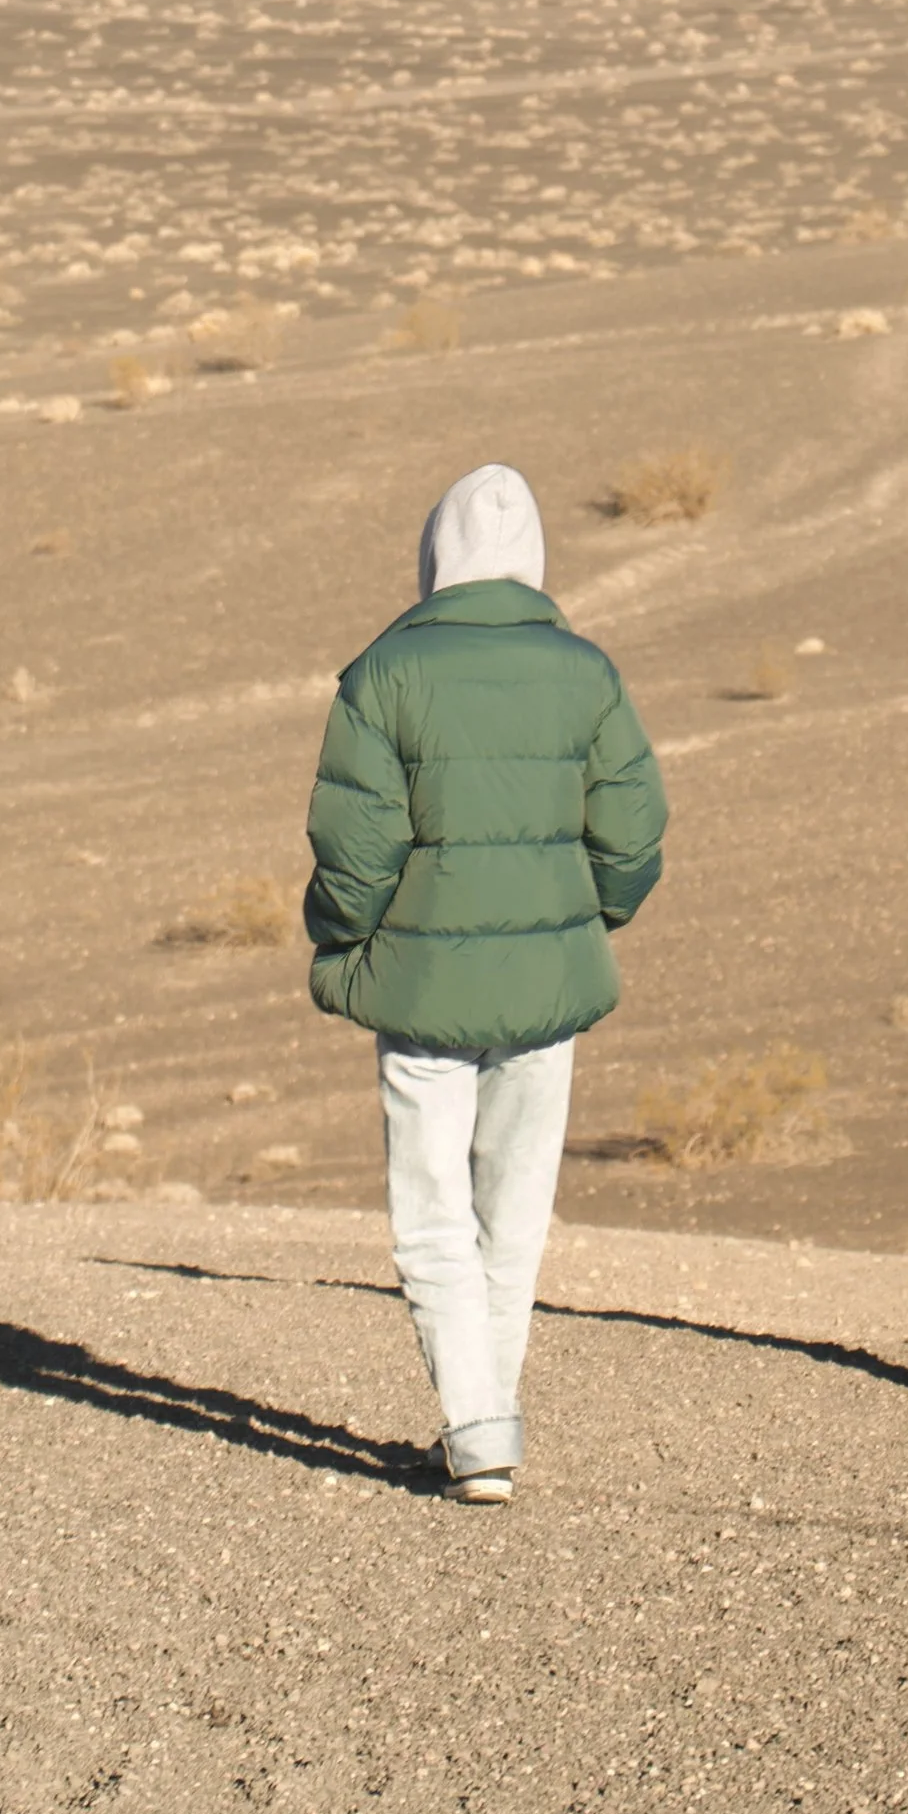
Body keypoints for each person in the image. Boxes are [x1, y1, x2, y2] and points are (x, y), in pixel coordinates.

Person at [304, 462, 667, 1504]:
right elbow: (633, 829)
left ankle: (474, 1422)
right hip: (547, 986)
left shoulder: (381, 676)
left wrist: (342, 949)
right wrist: (584, 917)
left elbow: (351, 848)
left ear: (435, 562)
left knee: (432, 1214)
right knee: (513, 1210)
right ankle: (486, 1422)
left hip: (419, 990)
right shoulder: (587, 673)